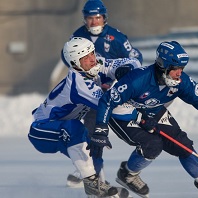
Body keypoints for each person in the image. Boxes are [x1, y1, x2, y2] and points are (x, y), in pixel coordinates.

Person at [88, 41, 198, 198]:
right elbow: (108, 101)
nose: (179, 73)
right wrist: (100, 130)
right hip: (123, 114)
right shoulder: (137, 79)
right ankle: (128, 174)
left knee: (183, 145)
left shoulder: (181, 81)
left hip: (154, 111)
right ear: (162, 66)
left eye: (182, 68)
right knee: (153, 145)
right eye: (175, 69)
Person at [28, 37, 141, 198]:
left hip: (62, 127)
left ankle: (100, 190)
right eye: (85, 58)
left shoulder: (96, 63)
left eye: (92, 53)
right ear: (75, 64)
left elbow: (133, 61)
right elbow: (109, 104)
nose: (92, 59)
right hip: (41, 130)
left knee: (93, 146)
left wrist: (127, 69)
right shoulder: (77, 82)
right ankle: (92, 184)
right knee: (75, 128)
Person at [65, 0, 144, 188]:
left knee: (139, 133)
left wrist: (118, 81)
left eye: (97, 18)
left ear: (104, 18)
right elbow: (67, 57)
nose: (94, 22)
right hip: (92, 95)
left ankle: (131, 171)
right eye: (90, 18)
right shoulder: (77, 35)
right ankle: (94, 176)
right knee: (93, 134)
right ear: (85, 19)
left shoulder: (116, 37)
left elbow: (135, 60)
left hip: (116, 94)